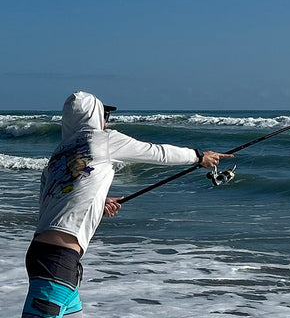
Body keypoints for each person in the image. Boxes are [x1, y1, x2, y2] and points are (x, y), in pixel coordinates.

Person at [22, 92, 233, 318]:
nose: (106, 121)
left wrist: (97, 203)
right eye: (104, 115)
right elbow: (157, 152)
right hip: (56, 262)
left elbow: (56, 202)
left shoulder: (58, 156)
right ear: (93, 117)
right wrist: (198, 157)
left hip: (45, 255)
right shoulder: (103, 139)